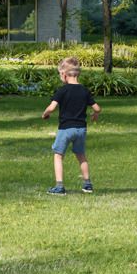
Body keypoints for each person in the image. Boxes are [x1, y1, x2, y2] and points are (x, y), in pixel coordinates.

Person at [42, 56, 98, 194]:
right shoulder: (84, 91)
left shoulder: (62, 90)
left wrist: (45, 114)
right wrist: (95, 115)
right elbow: (97, 108)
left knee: (58, 155)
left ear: (64, 74)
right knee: (81, 155)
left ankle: (60, 186)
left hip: (66, 129)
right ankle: (87, 184)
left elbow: (52, 107)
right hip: (81, 129)